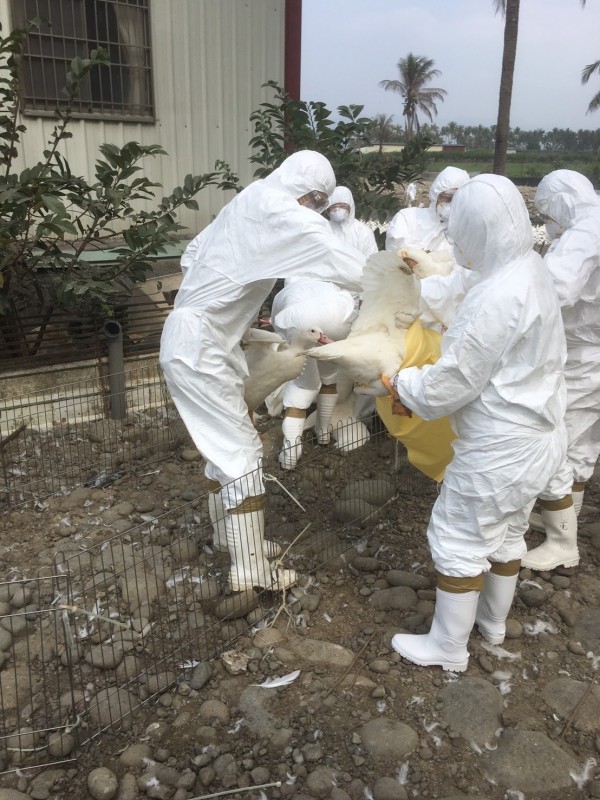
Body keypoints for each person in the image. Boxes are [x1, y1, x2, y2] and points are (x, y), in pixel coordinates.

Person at [160, 151, 366, 593]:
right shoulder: (286, 211)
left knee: (225, 453)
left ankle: (228, 537)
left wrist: (230, 317)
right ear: (309, 194)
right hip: (201, 347)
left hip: (200, 337)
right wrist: (404, 279)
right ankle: (249, 569)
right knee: (243, 457)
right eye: (317, 202)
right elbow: (342, 262)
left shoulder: (250, 200)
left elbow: (194, 257)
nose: (318, 211)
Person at [387, 174, 568, 672]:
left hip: (500, 446)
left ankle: (447, 648)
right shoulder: (527, 267)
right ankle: (492, 625)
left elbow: (455, 380)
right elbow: (464, 281)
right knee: (508, 531)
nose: (457, 241)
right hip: (541, 436)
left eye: (461, 229)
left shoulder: (497, 299)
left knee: (459, 536)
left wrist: (400, 383)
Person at [521, 169, 600, 571]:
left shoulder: (585, 230)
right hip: (593, 351)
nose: (548, 223)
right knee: (584, 442)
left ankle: (561, 542)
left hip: (584, 354)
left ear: (560, 202)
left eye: (547, 212)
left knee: (558, 440)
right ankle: (564, 518)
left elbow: (558, 287)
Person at [385, 166, 470, 254]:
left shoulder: (466, 231)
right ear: (436, 194)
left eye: (458, 199)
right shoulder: (408, 217)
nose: (452, 204)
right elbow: (398, 247)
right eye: (448, 198)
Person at [326, 186, 379, 257]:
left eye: (342, 206)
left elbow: (372, 261)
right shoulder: (325, 230)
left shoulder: (363, 232)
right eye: (333, 207)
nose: (337, 210)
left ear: (350, 206)